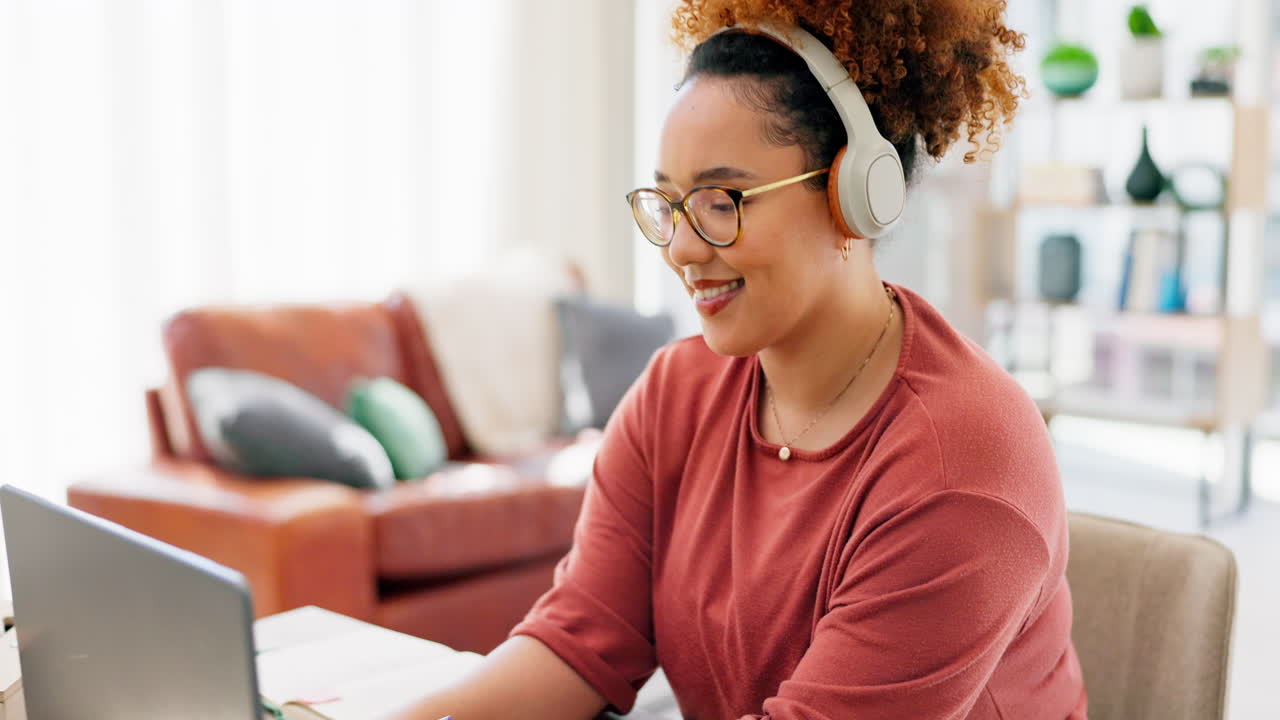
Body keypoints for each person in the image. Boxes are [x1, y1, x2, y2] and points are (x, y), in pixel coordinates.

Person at [391, 1, 1087, 718]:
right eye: (668, 203)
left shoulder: (960, 463)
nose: (683, 248)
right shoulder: (677, 393)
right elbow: (579, 639)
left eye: (722, 200)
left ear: (853, 195)